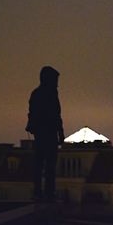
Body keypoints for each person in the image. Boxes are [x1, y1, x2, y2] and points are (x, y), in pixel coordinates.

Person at [26, 66, 65, 201]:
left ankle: (39, 191)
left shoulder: (36, 93)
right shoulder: (51, 94)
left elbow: (32, 114)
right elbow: (56, 115)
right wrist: (60, 133)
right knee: (48, 165)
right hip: (48, 134)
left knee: (40, 164)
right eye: (55, 80)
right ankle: (48, 192)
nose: (57, 83)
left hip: (41, 134)